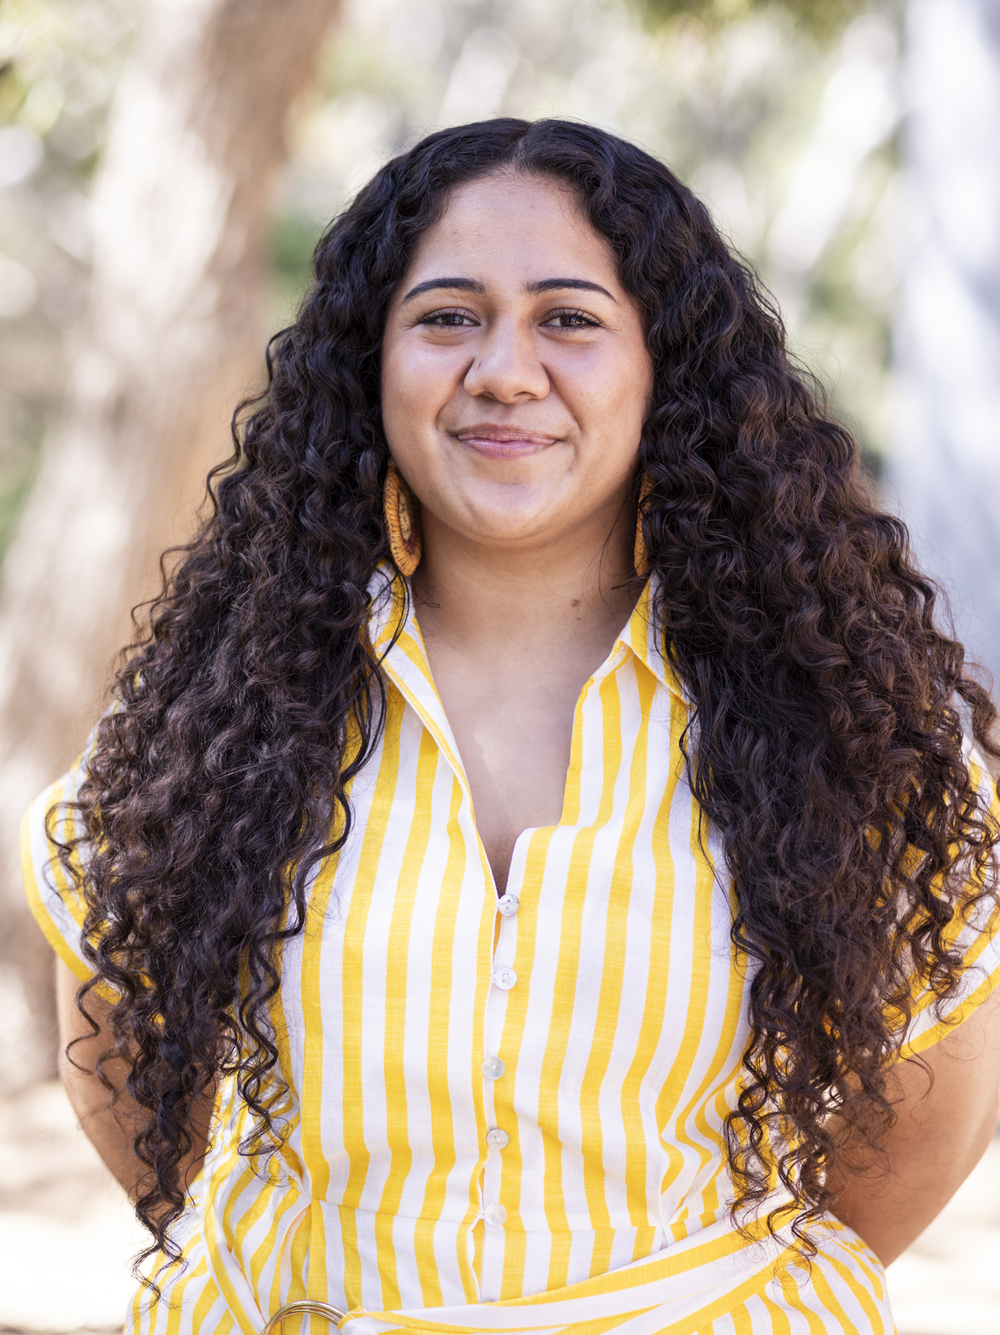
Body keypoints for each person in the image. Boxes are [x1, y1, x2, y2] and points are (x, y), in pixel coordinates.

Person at [23, 117, 1000, 1335]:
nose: (503, 370)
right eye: (447, 316)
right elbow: (136, 1101)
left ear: (664, 365)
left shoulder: (842, 724)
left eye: (569, 318)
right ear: (368, 361)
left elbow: (904, 1151)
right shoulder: (212, 714)